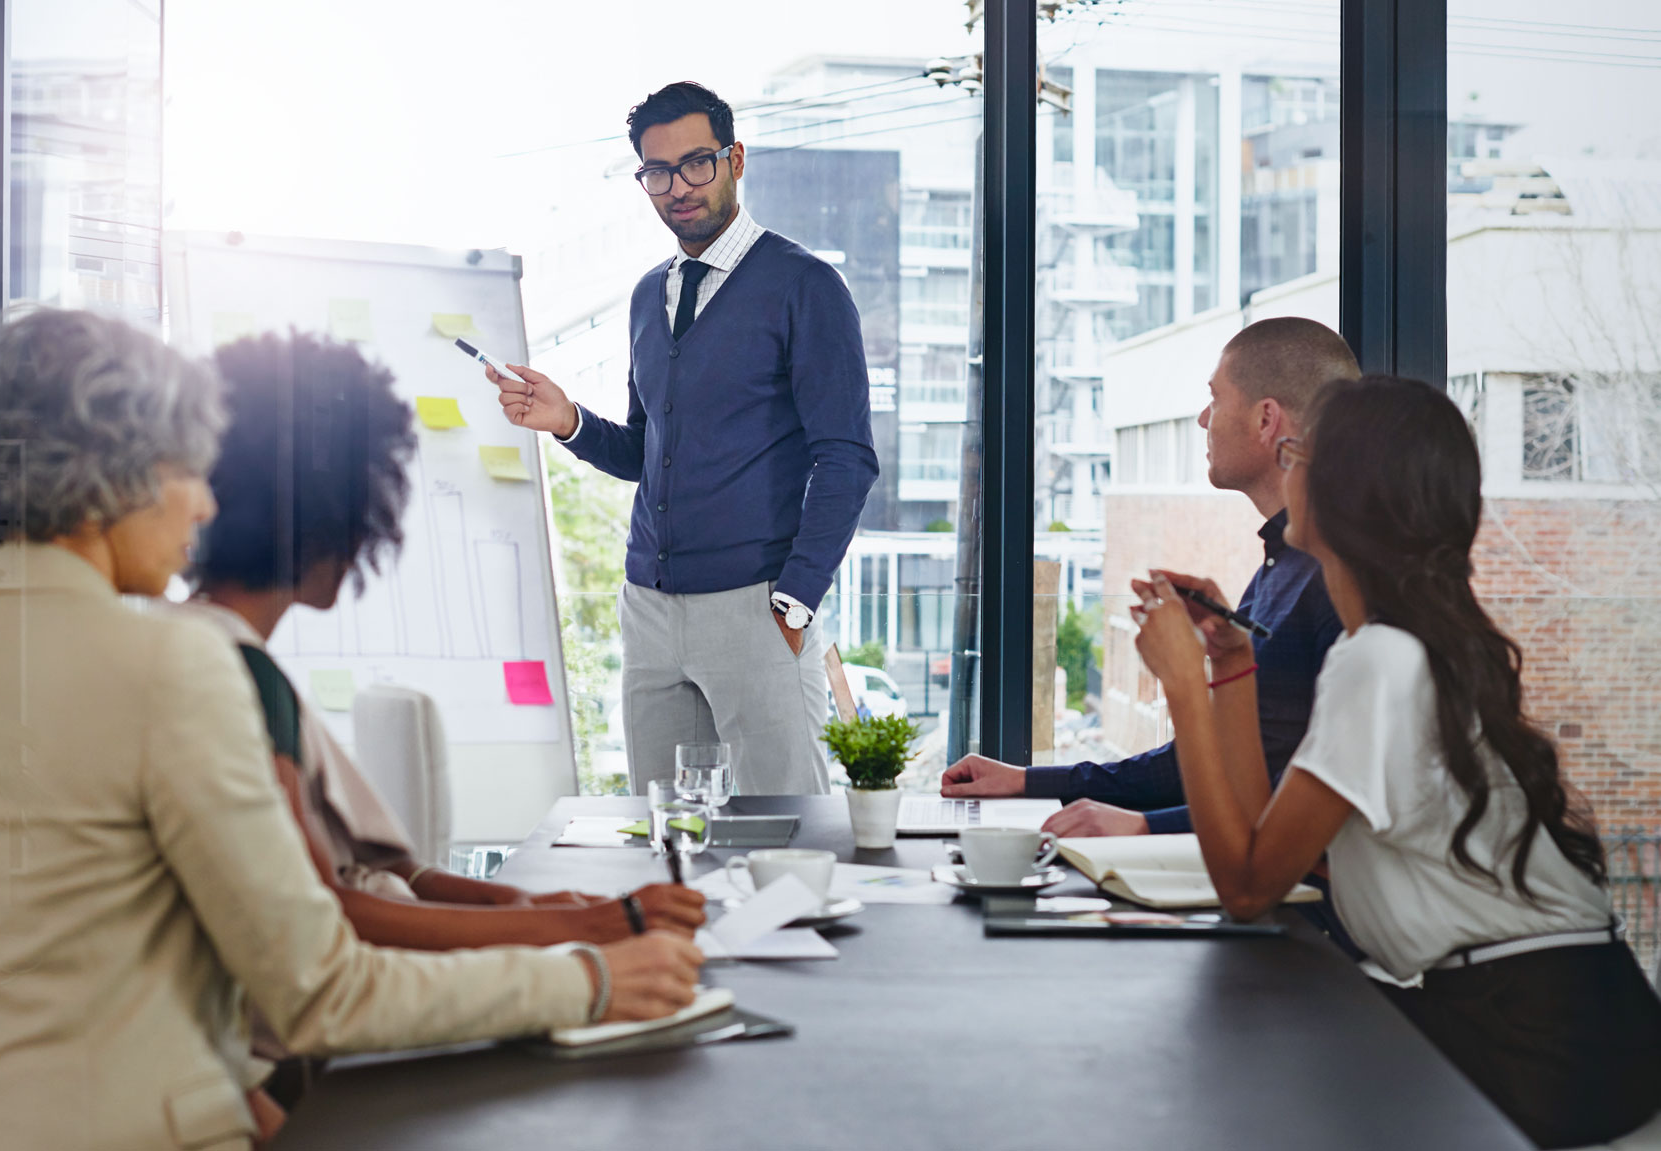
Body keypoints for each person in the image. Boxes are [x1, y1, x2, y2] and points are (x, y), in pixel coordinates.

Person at [0, 309, 703, 1151]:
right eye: (187, 465)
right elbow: (323, 990)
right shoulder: (169, 670)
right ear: (117, 471)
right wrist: (587, 976)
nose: (205, 500)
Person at [1125, 374, 1661, 1149]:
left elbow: (1244, 887)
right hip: (1573, 1020)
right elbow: (1262, 848)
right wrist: (1230, 662)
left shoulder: (1377, 659)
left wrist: (1181, 686)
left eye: (1299, 453)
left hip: (1539, 1035)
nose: (1288, 461)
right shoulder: (1395, 651)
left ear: (1346, 491)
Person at [186, 329, 706, 949]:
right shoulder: (232, 677)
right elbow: (334, 914)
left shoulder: (219, 651)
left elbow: (388, 875)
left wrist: (527, 905)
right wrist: (582, 928)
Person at [485, 81, 878, 795]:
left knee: (785, 834)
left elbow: (845, 457)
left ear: (735, 159)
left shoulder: (805, 286)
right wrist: (568, 419)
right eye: (657, 172)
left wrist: (796, 598)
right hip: (651, 608)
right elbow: (647, 451)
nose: (678, 187)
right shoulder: (647, 296)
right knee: (667, 836)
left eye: (697, 163)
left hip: (757, 607)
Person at [941, 317, 1354, 837]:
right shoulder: (1281, 566)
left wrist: (1143, 828)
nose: (1205, 418)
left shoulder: (1340, 581)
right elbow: (1205, 765)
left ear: (1266, 419)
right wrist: (1030, 781)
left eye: (1216, 398)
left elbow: (1312, 809)